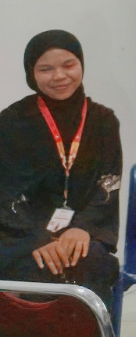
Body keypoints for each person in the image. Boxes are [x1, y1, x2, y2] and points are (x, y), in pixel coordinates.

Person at [0, 32, 121, 304]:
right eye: (46, 69)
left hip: (80, 233)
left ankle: (83, 333)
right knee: (34, 264)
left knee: (89, 260)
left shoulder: (103, 121)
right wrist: (37, 237)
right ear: (31, 73)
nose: (59, 76)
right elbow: (5, 192)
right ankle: (27, 333)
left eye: (68, 65)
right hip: (21, 233)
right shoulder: (11, 122)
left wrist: (83, 228)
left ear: (81, 64)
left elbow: (108, 183)